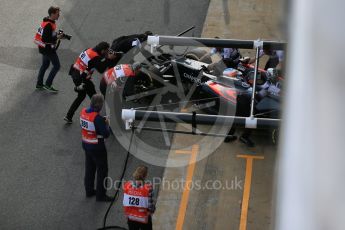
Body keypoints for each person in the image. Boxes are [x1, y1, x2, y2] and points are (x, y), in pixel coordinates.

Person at [64, 42, 117, 123]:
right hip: (81, 78)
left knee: (81, 96)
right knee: (95, 97)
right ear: (102, 50)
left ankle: (69, 116)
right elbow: (101, 69)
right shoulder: (95, 56)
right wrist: (108, 59)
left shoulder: (89, 50)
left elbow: (89, 63)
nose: (107, 52)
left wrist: (87, 72)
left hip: (76, 73)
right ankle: (96, 118)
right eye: (106, 51)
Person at [80, 94, 112, 202]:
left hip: (86, 143)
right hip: (97, 147)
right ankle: (101, 195)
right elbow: (106, 134)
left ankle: (89, 190)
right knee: (102, 170)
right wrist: (106, 123)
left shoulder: (84, 112)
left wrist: (101, 120)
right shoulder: (98, 119)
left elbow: (91, 123)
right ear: (100, 105)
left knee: (89, 168)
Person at [34, 6, 64, 92]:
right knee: (57, 66)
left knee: (45, 65)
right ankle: (48, 84)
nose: (59, 15)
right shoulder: (48, 25)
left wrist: (56, 35)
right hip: (48, 49)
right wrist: (57, 37)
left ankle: (39, 84)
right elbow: (45, 39)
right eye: (57, 14)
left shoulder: (47, 21)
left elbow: (48, 35)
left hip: (43, 48)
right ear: (52, 14)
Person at [123, 166, 155, 230]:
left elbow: (125, 202)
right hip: (143, 218)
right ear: (145, 175)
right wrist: (152, 211)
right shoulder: (148, 188)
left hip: (131, 218)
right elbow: (150, 207)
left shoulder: (127, 185)